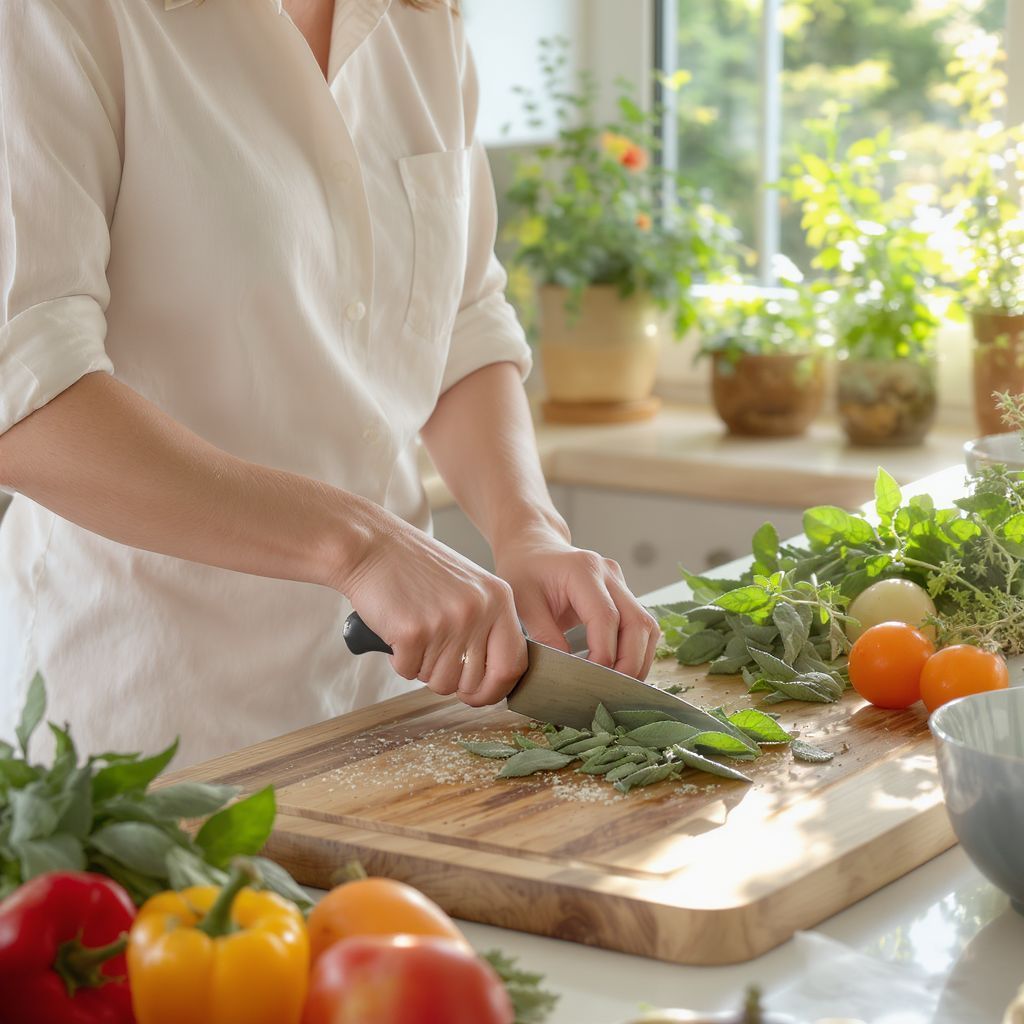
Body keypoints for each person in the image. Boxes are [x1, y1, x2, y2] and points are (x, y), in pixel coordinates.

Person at [0, 0, 660, 767]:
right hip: (144, 726)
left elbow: (461, 322)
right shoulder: (53, 15)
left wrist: (527, 528)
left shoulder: (421, 22)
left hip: (385, 708)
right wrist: (361, 547)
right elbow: (26, 397)